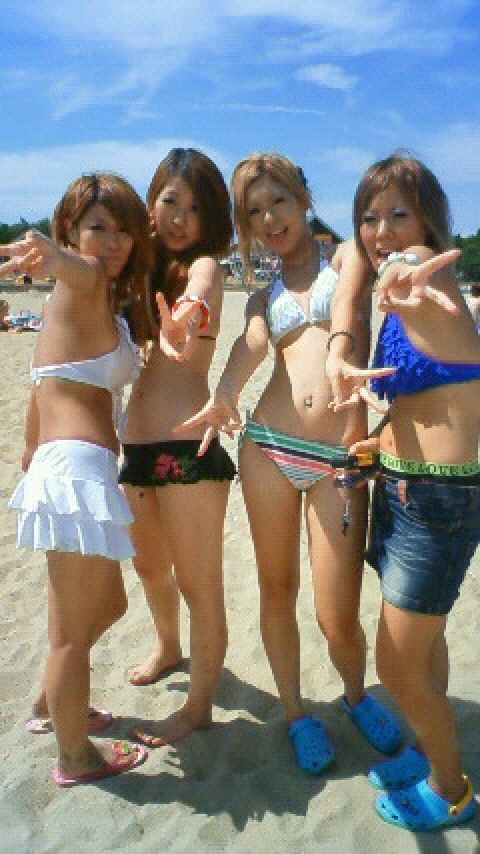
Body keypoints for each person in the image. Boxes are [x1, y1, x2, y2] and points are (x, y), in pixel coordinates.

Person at [177, 152, 401, 774]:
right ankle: (298, 713)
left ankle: (355, 696)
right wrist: (224, 394)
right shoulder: (262, 293)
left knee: (337, 613)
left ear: (303, 198)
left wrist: (339, 352)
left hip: (338, 458)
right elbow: (253, 344)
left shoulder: (347, 258)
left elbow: (349, 309)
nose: (269, 218)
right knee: (277, 589)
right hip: (268, 448)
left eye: (278, 201)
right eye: (254, 211)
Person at [339, 154, 480, 830]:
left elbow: (410, 269)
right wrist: (377, 444)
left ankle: (451, 790)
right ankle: (428, 753)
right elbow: (421, 396)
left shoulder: (427, 276)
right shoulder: (393, 298)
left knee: (395, 667)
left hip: (437, 503)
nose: (382, 230)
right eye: (370, 217)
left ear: (429, 222)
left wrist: (401, 272)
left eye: (399, 213)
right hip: (399, 490)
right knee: (425, 647)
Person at [4, 172, 153, 785]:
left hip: (74, 469)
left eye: (123, 230)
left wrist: (29, 446)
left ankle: (54, 701)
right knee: (68, 634)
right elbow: (79, 268)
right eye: (97, 227)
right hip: (77, 473)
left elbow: (43, 381)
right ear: (69, 229)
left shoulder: (94, 302)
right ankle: (74, 755)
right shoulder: (83, 281)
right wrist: (56, 254)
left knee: (110, 603)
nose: (112, 242)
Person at [119, 148, 236, 745]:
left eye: (196, 207)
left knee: (198, 584)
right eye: (170, 201)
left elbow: (202, 290)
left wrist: (188, 313)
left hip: (188, 449)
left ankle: (198, 708)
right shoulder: (137, 271)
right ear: (151, 204)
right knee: (148, 567)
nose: (181, 217)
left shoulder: (205, 266)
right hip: (136, 447)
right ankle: (168, 646)